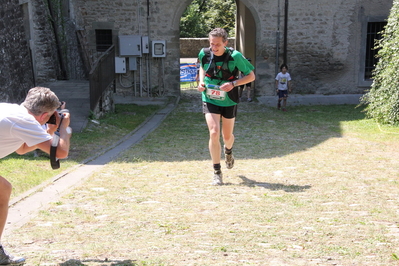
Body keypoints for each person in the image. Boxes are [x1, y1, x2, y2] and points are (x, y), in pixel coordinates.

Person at [0, 87, 72, 265]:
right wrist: (64, 129)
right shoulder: (24, 121)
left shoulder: (12, 111)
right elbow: (61, 152)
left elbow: (22, 148)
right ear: (44, 115)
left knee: (3, 190)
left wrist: (49, 129)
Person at [197, 28, 255, 185]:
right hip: (210, 97)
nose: (213, 48)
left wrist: (233, 84)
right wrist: (201, 82)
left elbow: (251, 76)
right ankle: (217, 171)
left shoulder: (235, 56)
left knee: (227, 137)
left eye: (217, 44)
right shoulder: (204, 53)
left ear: (225, 43)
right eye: (211, 44)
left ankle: (228, 151)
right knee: (214, 132)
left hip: (229, 98)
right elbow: (202, 67)